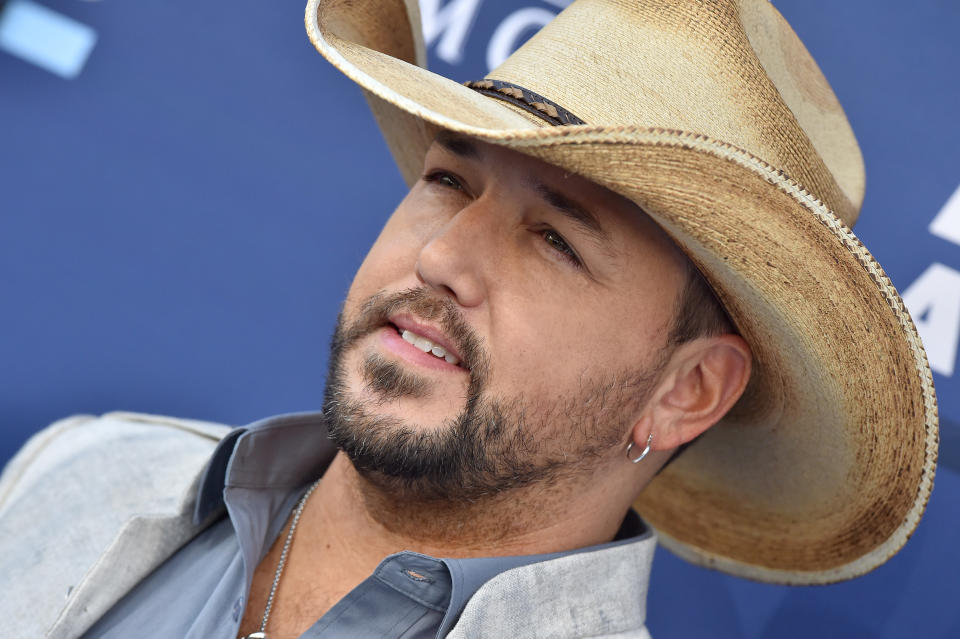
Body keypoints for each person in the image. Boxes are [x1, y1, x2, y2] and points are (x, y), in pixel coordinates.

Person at [0, 0, 939, 637]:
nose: (443, 256)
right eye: (448, 180)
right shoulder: (89, 465)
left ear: (685, 390)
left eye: (555, 241)